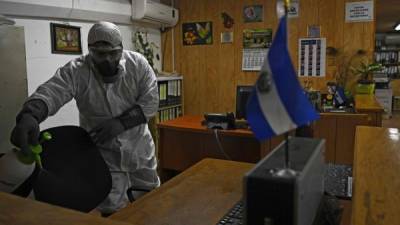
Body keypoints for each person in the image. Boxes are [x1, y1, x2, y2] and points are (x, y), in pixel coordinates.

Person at [10, 21, 160, 215]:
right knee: (112, 209)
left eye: (113, 53)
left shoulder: (138, 65)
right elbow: (52, 92)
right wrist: (30, 115)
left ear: (122, 49)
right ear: (90, 51)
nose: (107, 60)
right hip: (104, 154)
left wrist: (120, 124)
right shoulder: (77, 70)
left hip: (139, 149)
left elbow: (150, 103)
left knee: (151, 200)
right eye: (100, 54)